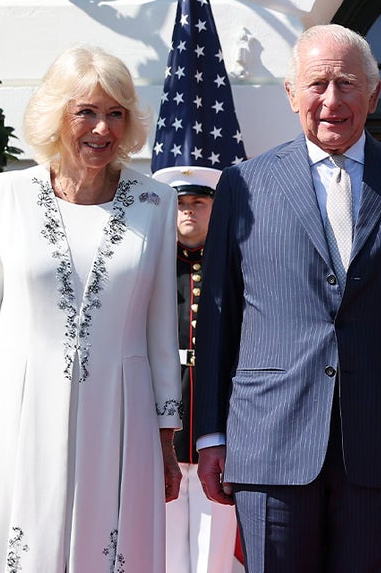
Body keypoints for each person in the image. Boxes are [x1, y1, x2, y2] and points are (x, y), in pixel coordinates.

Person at [193, 24, 381, 572]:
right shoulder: (243, 185)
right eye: (317, 84)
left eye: (347, 84)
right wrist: (211, 433)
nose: (332, 101)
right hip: (269, 441)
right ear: (292, 94)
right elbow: (220, 318)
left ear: (374, 94)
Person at [0, 45, 182, 572]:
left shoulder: (157, 202)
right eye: (86, 112)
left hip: (122, 417)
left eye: (115, 113)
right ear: (57, 115)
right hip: (17, 412)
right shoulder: (7, 194)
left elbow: (161, 328)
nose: (102, 128)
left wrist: (166, 439)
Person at [152, 165, 239, 573]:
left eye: (199, 202)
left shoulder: (234, 267)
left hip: (217, 424)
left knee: (214, 550)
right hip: (161, 426)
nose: (188, 211)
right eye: (180, 203)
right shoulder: (151, 267)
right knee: (163, 546)